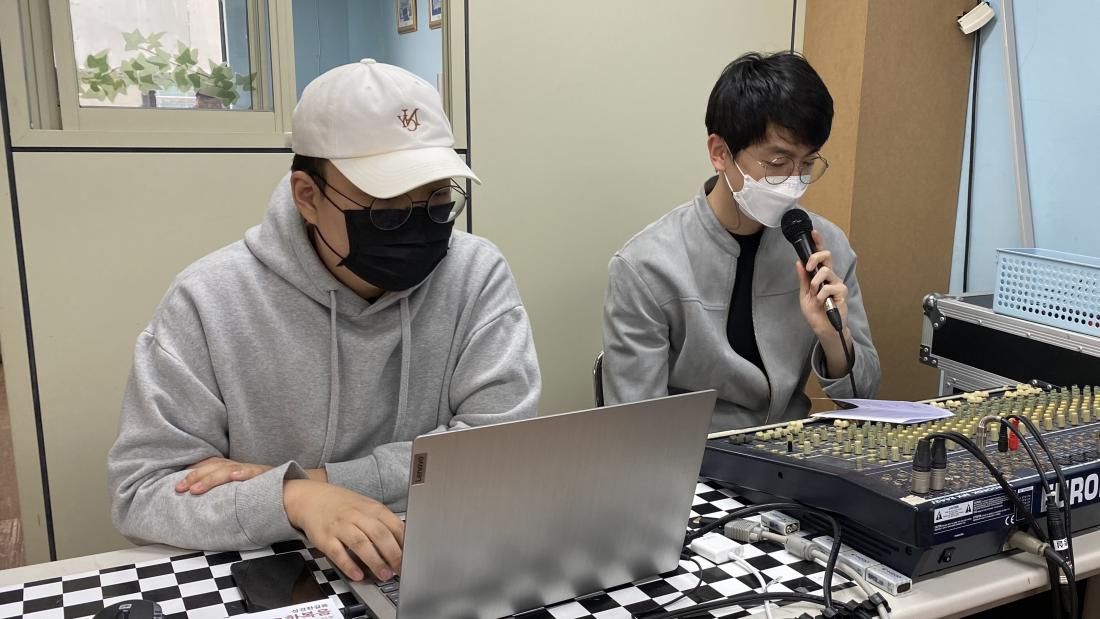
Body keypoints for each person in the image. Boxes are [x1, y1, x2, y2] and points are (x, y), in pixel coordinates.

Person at [108, 59, 541, 583]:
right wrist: (294, 500)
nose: (418, 227)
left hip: (432, 556)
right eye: (386, 211)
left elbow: (498, 452)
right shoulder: (208, 300)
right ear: (307, 197)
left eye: (436, 201)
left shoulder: (475, 272)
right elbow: (143, 494)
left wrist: (313, 481)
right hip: (273, 572)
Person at [602, 51, 879, 431]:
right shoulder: (646, 266)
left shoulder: (824, 247)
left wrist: (835, 338)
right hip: (693, 455)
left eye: (807, 164)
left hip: (789, 450)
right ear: (720, 153)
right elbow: (634, 426)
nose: (793, 182)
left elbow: (865, 398)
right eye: (777, 163)